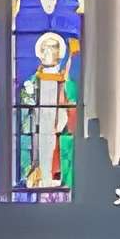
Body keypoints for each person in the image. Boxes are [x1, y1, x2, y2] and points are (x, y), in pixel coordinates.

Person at [19, 28, 77, 190]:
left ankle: (54, 177)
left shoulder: (64, 79)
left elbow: (71, 101)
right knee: (38, 151)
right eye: (44, 48)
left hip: (57, 124)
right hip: (39, 125)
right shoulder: (34, 79)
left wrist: (66, 87)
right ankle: (37, 176)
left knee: (55, 151)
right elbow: (25, 104)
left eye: (53, 48)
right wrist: (28, 94)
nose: (48, 52)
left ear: (60, 53)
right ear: (39, 53)